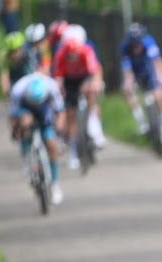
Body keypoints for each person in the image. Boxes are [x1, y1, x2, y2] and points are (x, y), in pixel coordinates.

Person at [8, 72, 66, 204]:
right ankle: (26, 156)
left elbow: (61, 111)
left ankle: (54, 184)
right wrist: (16, 131)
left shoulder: (51, 87)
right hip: (24, 108)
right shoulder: (18, 90)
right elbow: (12, 116)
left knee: (51, 144)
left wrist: (59, 126)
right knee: (25, 123)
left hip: (44, 109)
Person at [52, 34, 103, 169]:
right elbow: (58, 78)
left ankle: (96, 131)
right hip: (69, 80)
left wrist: (94, 84)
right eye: (70, 56)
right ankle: (74, 153)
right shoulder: (60, 55)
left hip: (84, 77)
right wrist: (59, 91)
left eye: (74, 56)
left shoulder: (86, 52)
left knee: (91, 95)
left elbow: (95, 71)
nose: (72, 59)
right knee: (70, 114)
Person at [119, 22, 162, 145]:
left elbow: (157, 62)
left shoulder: (149, 42)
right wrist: (128, 82)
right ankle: (141, 122)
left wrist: (161, 75)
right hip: (135, 73)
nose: (137, 47)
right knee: (128, 92)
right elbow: (126, 69)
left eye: (138, 43)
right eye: (134, 44)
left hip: (150, 71)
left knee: (159, 94)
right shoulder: (125, 48)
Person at [0, 30, 32, 97]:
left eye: (16, 50)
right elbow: (4, 76)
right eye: (12, 51)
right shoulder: (4, 57)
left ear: (22, 48)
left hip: (28, 78)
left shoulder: (29, 53)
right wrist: (7, 94)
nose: (14, 54)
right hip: (13, 80)